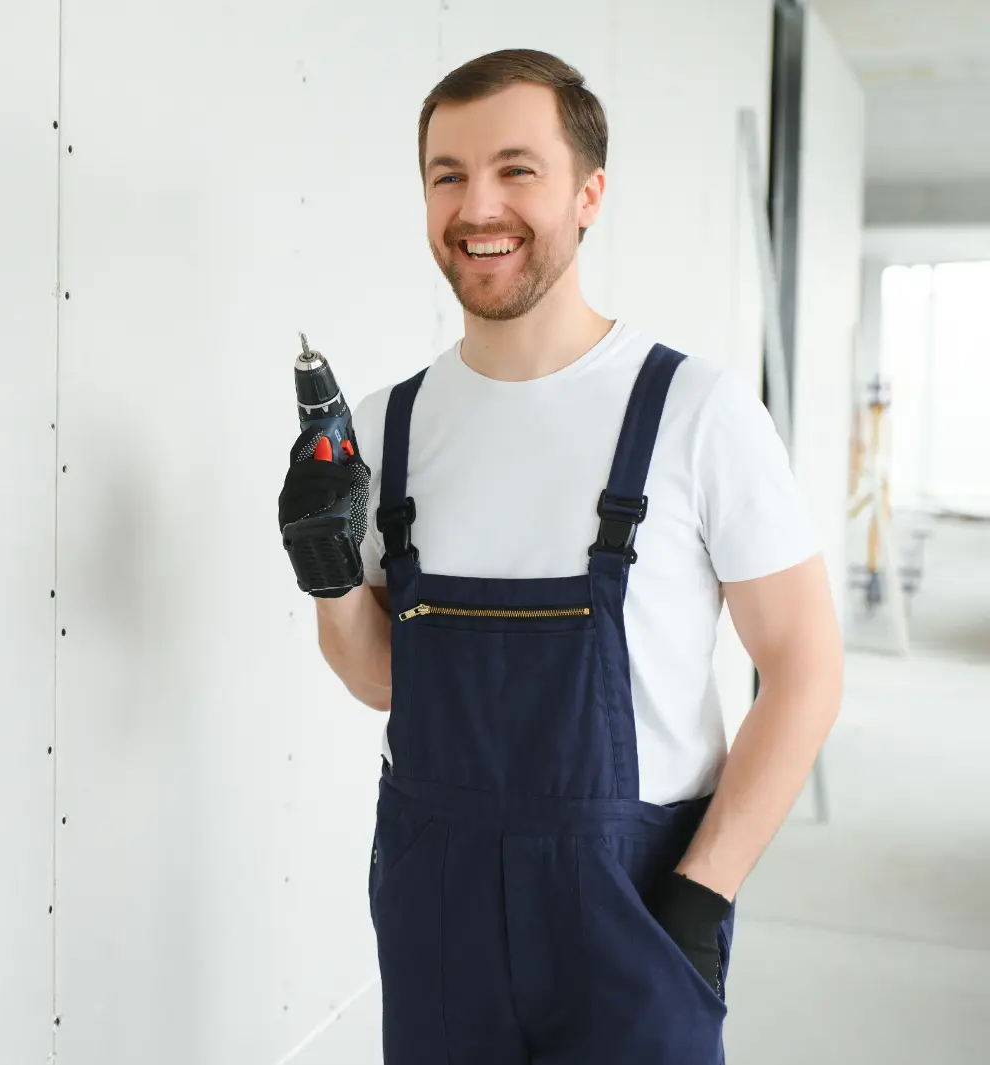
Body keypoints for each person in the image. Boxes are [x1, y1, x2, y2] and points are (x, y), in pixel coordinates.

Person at [276, 48, 844, 1064]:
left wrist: (698, 899)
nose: (476, 204)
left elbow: (804, 670)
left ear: (589, 194)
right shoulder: (388, 427)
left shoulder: (694, 413)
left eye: (515, 169)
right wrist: (326, 579)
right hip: (434, 897)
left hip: (635, 901)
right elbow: (379, 682)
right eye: (446, 174)